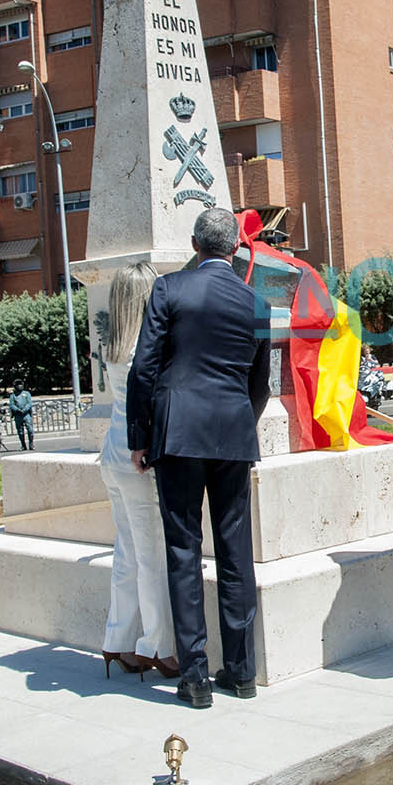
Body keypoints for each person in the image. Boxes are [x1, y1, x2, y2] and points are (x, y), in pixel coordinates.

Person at [127, 208, 272, 710]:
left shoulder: (169, 289)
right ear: (235, 247)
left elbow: (144, 368)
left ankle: (194, 676)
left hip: (179, 433)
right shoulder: (256, 301)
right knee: (236, 554)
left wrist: (139, 435)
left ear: (195, 244)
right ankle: (241, 671)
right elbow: (260, 384)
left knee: (184, 552)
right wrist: (239, 423)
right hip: (232, 433)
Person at [99, 262, 179, 680]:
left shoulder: (112, 345)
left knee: (127, 554)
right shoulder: (143, 348)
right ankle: (158, 646)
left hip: (110, 457)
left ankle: (118, 641)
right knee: (150, 558)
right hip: (136, 461)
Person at [7, 381, 35, 451]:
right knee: (20, 431)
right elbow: (12, 405)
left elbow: (29, 403)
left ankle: (31, 443)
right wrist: (17, 409)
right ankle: (23, 444)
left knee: (30, 430)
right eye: (18, 385)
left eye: (21, 385)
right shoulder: (13, 395)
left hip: (26, 414)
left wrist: (25, 409)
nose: (20, 386)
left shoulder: (27, 393)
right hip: (18, 415)